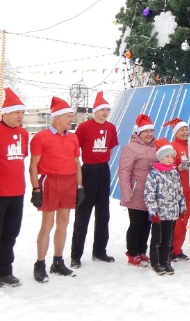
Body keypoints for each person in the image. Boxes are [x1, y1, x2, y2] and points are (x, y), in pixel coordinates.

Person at [29, 97, 83, 282]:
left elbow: (76, 162)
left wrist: (80, 186)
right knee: (47, 224)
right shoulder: (41, 137)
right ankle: (40, 264)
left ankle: (58, 261)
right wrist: (36, 189)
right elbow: (33, 165)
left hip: (69, 182)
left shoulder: (73, 137)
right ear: (57, 117)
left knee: (63, 222)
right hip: (50, 181)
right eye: (68, 116)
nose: (71, 119)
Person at [0, 88, 28, 287]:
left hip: (17, 192)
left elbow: (20, 159)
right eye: (17, 112)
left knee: (11, 234)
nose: (20, 116)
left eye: (22, 112)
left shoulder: (23, 133)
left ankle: (5, 270)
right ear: (6, 113)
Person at [71, 91, 118, 268]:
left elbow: (110, 149)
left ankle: (99, 250)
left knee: (103, 213)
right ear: (95, 110)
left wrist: (102, 160)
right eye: (102, 109)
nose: (105, 113)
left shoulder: (111, 128)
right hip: (88, 170)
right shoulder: (84, 127)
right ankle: (76, 254)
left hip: (103, 170)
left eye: (107, 110)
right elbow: (75, 149)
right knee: (83, 214)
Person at [117, 114, 158, 266]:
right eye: (145, 131)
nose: (149, 134)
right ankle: (132, 253)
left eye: (151, 131)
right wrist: (126, 192)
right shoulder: (130, 148)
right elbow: (124, 171)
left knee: (147, 224)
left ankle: (142, 251)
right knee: (136, 223)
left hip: (151, 193)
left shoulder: (155, 147)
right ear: (138, 133)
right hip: (136, 192)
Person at [144, 139, 186, 275]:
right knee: (157, 239)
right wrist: (153, 212)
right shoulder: (154, 174)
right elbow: (149, 194)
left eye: (172, 156)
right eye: (167, 156)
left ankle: (166, 261)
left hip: (172, 212)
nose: (170, 159)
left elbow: (179, 191)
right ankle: (156, 261)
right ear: (161, 157)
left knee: (168, 239)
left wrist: (181, 208)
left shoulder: (174, 173)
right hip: (160, 213)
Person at [162, 117, 190, 262]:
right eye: (182, 130)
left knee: (184, 221)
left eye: (186, 129)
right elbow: (166, 166)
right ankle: (169, 249)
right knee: (175, 222)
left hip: (189, 189)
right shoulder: (172, 147)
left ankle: (177, 249)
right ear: (175, 132)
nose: (185, 132)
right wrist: (179, 167)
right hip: (176, 191)